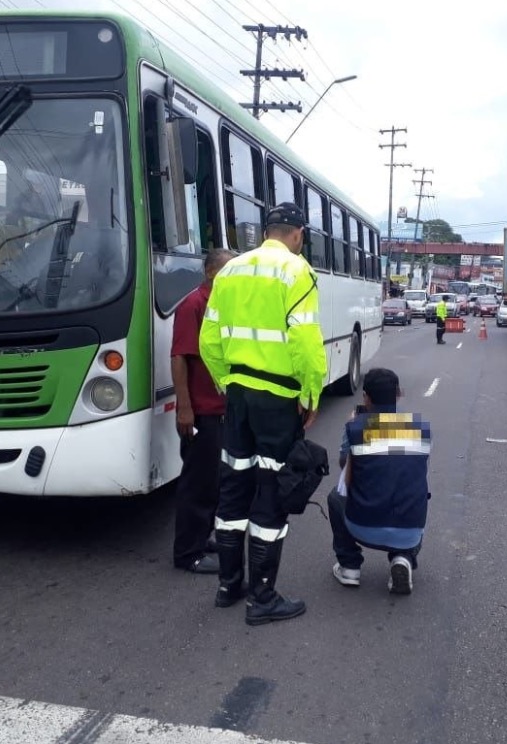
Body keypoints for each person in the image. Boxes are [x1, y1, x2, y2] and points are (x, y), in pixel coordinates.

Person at [199, 202, 328, 626]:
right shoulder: (297, 271)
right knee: (272, 490)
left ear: (267, 230)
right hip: (277, 399)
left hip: (237, 394)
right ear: (297, 234)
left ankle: (228, 586)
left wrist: (226, 381)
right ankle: (263, 598)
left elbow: (210, 338)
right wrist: (310, 394)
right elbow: (305, 342)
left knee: (234, 487)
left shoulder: (231, 270)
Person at [330, 367, 431, 595]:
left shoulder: (356, 428)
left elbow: (344, 467)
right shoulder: (421, 429)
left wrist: (352, 429)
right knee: (417, 490)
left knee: (334, 497)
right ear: (397, 395)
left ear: (366, 397)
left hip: (362, 525)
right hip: (409, 530)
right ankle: (403, 558)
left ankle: (349, 567)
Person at [171, 249, 235, 574]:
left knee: (215, 482)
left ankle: (202, 537)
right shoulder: (193, 305)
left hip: (221, 408)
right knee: (198, 485)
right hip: (200, 411)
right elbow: (180, 357)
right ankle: (188, 554)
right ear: (211, 272)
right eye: (229, 271)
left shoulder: (224, 304)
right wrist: (185, 407)